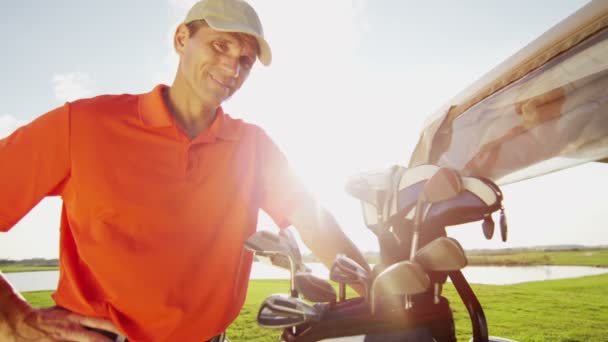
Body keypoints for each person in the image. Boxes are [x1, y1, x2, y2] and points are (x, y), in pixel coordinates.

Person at [0, 0, 371, 341]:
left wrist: (386, 293)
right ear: (182, 39)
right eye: (220, 46)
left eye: (246, 59)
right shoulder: (82, 124)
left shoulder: (254, 147)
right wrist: (14, 319)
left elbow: (315, 224)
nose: (232, 67)